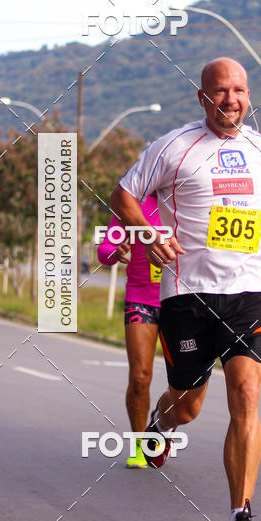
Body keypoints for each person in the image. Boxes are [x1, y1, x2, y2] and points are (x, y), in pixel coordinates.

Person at [110, 57, 261, 521]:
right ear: (202, 97)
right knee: (189, 403)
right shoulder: (174, 147)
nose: (231, 99)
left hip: (251, 290)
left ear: (250, 96)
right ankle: (160, 424)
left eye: (240, 90)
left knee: (246, 394)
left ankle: (239, 518)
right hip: (187, 293)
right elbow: (124, 195)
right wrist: (148, 232)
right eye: (221, 90)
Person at [97, 194, 162, 468]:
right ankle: (139, 445)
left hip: (183, 299)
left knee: (185, 390)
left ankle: (162, 422)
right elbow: (105, 249)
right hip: (142, 298)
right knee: (139, 376)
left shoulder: (191, 194)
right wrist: (115, 250)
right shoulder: (131, 200)